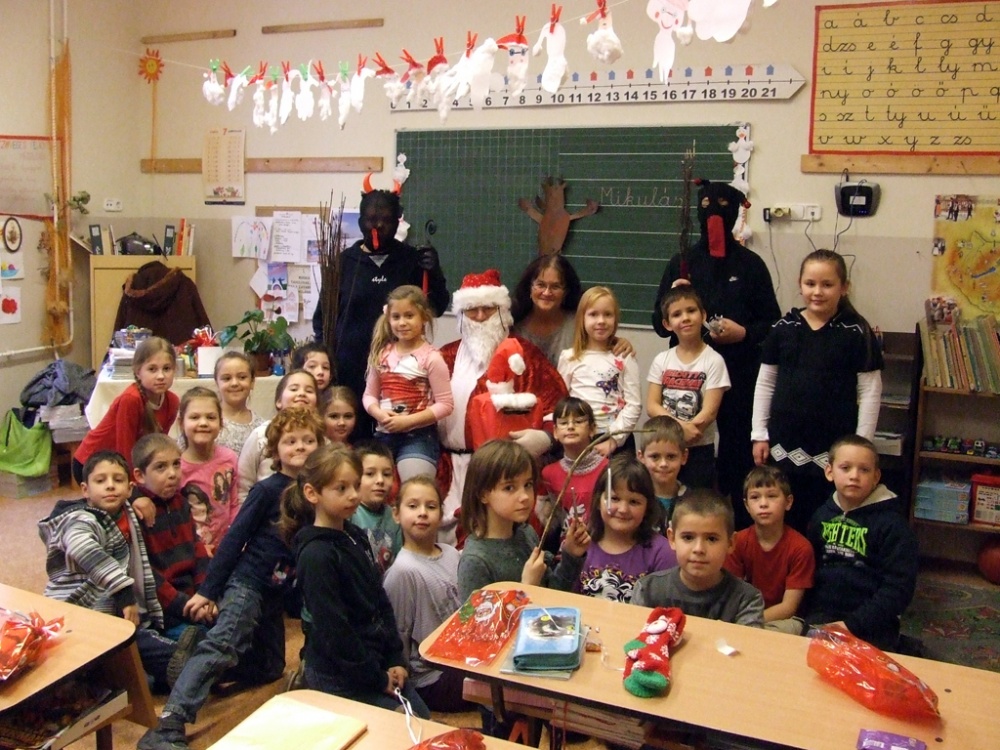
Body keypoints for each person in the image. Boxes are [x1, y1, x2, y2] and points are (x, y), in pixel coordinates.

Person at [138, 408, 324, 750]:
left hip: (276, 591)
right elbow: (234, 539)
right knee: (223, 645)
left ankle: (191, 663)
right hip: (247, 584)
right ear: (274, 449)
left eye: (308, 440)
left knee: (270, 668)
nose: (300, 446)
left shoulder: (315, 491)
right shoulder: (267, 490)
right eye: (291, 441)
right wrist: (209, 591)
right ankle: (169, 724)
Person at [651, 179, 780, 523]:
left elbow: (772, 325)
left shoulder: (751, 265)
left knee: (738, 455)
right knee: (689, 459)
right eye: (707, 207)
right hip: (686, 381)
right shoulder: (682, 263)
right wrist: (673, 297)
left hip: (739, 375)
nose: (714, 216)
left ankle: (740, 526)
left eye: (723, 208)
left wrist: (744, 333)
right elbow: (658, 323)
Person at [278, 443, 432, 719]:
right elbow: (335, 631)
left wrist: (394, 659)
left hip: (373, 662)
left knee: (424, 721)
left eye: (355, 485)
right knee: (405, 727)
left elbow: (379, 600)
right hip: (339, 674)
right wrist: (376, 678)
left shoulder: (355, 535)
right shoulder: (316, 555)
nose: (353, 495)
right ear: (312, 493)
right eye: (341, 488)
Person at [39, 450, 198, 691]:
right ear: (85, 490)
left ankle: (170, 665)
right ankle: (178, 662)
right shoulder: (78, 520)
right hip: (79, 611)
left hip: (116, 611)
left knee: (141, 642)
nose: (110, 486)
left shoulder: (126, 512)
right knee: (135, 641)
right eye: (100, 480)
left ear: (129, 488)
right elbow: (85, 550)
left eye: (118, 479)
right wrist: (124, 594)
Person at [752, 249, 883, 532]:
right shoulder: (783, 328)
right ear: (800, 285)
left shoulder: (856, 332)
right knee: (786, 514)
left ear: (844, 287)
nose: (817, 292)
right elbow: (765, 383)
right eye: (810, 284)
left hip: (835, 445)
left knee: (826, 520)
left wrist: (862, 446)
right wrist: (759, 434)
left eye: (827, 284)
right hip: (784, 442)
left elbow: (870, 392)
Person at [312, 180, 450, 442]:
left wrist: (434, 272)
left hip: (399, 373)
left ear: (398, 222)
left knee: (390, 441)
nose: (377, 227)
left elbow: (436, 307)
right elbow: (321, 319)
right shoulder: (343, 262)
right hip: (349, 369)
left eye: (386, 220)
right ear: (360, 221)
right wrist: (327, 362)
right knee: (351, 439)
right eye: (371, 220)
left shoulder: (412, 260)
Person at [436, 269, 568, 544]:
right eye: (472, 310)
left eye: (488, 309)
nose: (480, 316)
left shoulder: (526, 356)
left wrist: (545, 437)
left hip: (506, 474)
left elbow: (559, 410)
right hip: (447, 470)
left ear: (503, 312)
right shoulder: (444, 356)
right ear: (461, 314)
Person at [801, 436, 918, 652]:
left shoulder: (893, 525)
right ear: (829, 472)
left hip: (872, 623)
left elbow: (898, 589)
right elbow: (809, 570)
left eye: (864, 470)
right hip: (822, 616)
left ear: (876, 477)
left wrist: (852, 626)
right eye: (845, 468)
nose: (854, 476)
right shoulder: (820, 516)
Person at [457, 440, 590, 601]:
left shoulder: (526, 533)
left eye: (528, 485)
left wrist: (571, 554)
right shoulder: (475, 561)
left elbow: (554, 595)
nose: (525, 496)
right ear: (483, 494)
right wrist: (526, 588)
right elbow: (474, 618)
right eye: (509, 488)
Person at [383, 476, 470, 712]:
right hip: (432, 678)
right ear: (396, 514)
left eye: (431, 506)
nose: (422, 513)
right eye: (413, 506)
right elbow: (398, 633)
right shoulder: (403, 571)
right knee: (500, 687)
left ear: (441, 514)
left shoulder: (451, 553)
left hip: (462, 656)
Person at [632, 489, 764, 627]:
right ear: (672, 539)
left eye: (711, 539)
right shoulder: (647, 590)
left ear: (731, 543)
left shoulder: (747, 599)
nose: (699, 549)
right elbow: (634, 638)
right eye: (688, 537)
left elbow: (748, 641)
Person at [363, 285, 454, 481]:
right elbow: (369, 395)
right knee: (372, 484)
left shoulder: (432, 358)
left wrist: (407, 422)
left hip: (418, 436)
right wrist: (379, 413)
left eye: (409, 316)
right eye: (396, 317)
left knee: (415, 485)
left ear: (424, 318)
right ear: (388, 319)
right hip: (384, 434)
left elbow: (445, 405)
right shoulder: (382, 353)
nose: (402, 323)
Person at [131, 434, 213, 642]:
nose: (172, 474)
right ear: (140, 476)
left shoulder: (181, 503)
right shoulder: (137, 513)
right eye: (161, 467)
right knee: (204, 642)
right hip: (167, 612)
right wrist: (187, 606)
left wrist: (205, 593)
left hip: (194, 598)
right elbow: (149, 577)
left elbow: (198, 550)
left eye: (176, 464)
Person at [647, 287, 730, 489]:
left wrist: (690, 430)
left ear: (703, 315)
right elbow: (652, 405)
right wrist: (680, 430)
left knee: (696, 501)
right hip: (666, 447)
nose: (685, 318)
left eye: (691, 311)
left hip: (699, 449)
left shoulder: (714, 360)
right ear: (667, 324)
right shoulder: (662, 360)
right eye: (677, 314)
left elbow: (709, 412)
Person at [73, 336, 179, 483]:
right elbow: (124, 447)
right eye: (152, 369)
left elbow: (156, 447)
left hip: (121, 465)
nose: (161, 376)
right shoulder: (131, 400)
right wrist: (133, 485)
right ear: (138, 372)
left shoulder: (172, 401)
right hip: (91, 464)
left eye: (166, 369)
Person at [724, 465, 814, 633]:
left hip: (782, 621)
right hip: (742, 616)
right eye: (755, 497)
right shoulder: (737, 541)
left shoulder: (801, 547)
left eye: (772, 496)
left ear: (788, 502)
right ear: (746, 505)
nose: (763, 504)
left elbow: (789, 607)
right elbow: (731, 595)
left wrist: (749, 622)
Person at [577, 454, 676, 603]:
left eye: (634, 502)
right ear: (598, 501)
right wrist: (570, 556)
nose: (623, 509)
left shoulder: (662, 553)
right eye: (615, 499)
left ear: (647, 507)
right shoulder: (580, 545)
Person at [557, 286, 641, 457]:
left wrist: (614, 440)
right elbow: (560, 401)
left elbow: (634, 404)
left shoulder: (625, 357)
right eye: (593, 314)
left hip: (616, 440)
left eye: (608, 314)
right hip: (578, 438)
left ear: (616, 319)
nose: (601, 321)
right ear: (582, 318)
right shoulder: (569, 358)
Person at [511, 254, 635, 367]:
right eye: (541, 285)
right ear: (529, 287)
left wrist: (618, 342)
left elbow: (600, 344)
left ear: (566, 291)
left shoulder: (579, 322)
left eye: (555, 286)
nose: (547, 292)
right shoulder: (512, 323)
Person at [236, 370, 319, 504]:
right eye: (294, 389)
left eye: (309, 391)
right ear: (279, 401)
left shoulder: (321, 436)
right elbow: (243, 485)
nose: (301, 393)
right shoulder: (261, 435)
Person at [536, 397, 607, 550]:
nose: (570, 427)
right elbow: (552, 521)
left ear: (592, 429)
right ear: (555, 432)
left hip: (602, 549)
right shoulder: (548, 474)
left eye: (578, 421)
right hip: (567, 551)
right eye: (563, 423)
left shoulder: (609, 469)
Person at [177, 387, 239, 555]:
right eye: (194, 417)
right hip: (193, 551)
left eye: (211, 417)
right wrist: (197, 548)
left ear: (221, 422)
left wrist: (236, 538)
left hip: (226, 547)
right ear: (181, 423)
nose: (203, 423)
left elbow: (234, 503)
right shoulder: (177, 467)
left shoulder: (229, 458)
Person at [350, 440, 403, 574]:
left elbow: (399, 563)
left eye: (386, 474)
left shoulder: (394, 516)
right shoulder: (349, 513)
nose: (380, 480)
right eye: (370, 474)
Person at [636, 416, 689, 530]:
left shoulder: (692, 501)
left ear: (684, 457)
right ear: (641, 457)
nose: (663, 464)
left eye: (671, 456)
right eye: (655, 456)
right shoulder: (635, 499)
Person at [214, 352, 266, 455]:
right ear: (217, 383)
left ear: (252, 382)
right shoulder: (207, 421)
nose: (234, 383)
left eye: (242, 377)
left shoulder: (261, 428)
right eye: (227, 378)